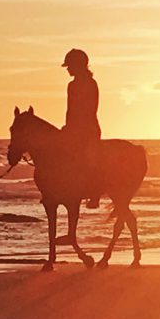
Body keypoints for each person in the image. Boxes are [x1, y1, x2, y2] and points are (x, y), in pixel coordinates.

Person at [62, 48, 103, 208]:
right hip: (73, 128)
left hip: (89, 129)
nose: (68, 69)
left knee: (90, 158)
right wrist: (68, 128)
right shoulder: (71, 85)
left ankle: (95, 193)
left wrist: (79, 128)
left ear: (78, 65)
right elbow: (69, 109)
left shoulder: (90, 84)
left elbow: (90, 109)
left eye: (69, 66)